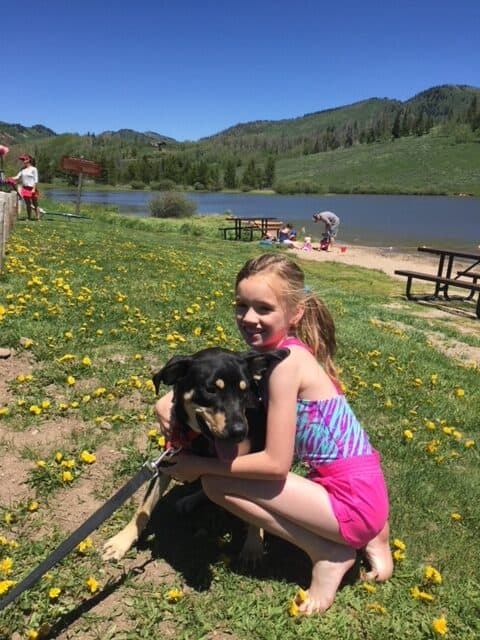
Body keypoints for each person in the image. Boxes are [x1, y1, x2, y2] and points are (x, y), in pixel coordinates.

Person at [157, 253, 393, 615]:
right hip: (365, 493)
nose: (249, 318)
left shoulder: (283, 369)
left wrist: (196, 464)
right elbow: (216, 380)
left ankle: (328, 553)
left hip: (350, 503)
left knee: (215, 485)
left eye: (263, 308)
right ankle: (375, 534)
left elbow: (276, 466)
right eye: (241, 306)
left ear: (295, 313)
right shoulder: (283, 356)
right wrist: (168, 399)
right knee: (218, 478)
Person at [12, 155, 39, 220]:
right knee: (28, 204)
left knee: (35, 203)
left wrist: (34, 189)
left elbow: (36, 180)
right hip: (25, 188)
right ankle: (29, 217)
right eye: (23, 160)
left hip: (32, 188)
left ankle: (38, 217)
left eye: (24, 159)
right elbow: (17, 177)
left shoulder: (34, 169)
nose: (23, 161)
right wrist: (10, 178)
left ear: (29, 160)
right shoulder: (22, 169)